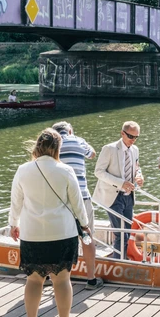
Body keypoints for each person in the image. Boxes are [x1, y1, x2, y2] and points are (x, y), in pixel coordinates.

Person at [10, 127, 89, 317]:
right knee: (62, 280)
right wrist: (84, 224)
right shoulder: (65, 170)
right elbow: (77, 203)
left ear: (37, 146)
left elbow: (16, 201)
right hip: (62, 232)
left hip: (32, 234)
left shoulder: (23, 170)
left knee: (34, 280)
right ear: (58, 148)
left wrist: (13, 224)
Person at [54, 121, 102, 288]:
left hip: (61, 200)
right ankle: (91, 279)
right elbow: (92, 154)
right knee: (87, 237)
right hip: (81, 197)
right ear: (70, 131)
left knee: (59, 239)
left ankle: (56, 278)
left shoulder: (51, 145)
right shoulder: (78, 141)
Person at [94, 121, 142, 259]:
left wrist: (139, 176)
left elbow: (137, 167)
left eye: (136, 137)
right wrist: (121, 183)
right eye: (130, 136)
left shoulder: (135, 150)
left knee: (127, 232)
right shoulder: (109, 149)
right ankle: (118, 262)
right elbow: (98, 172)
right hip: (113, 197)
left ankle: (122, 260)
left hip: (129, 197)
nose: (133, 140)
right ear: (122, 133)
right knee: (121, 234)